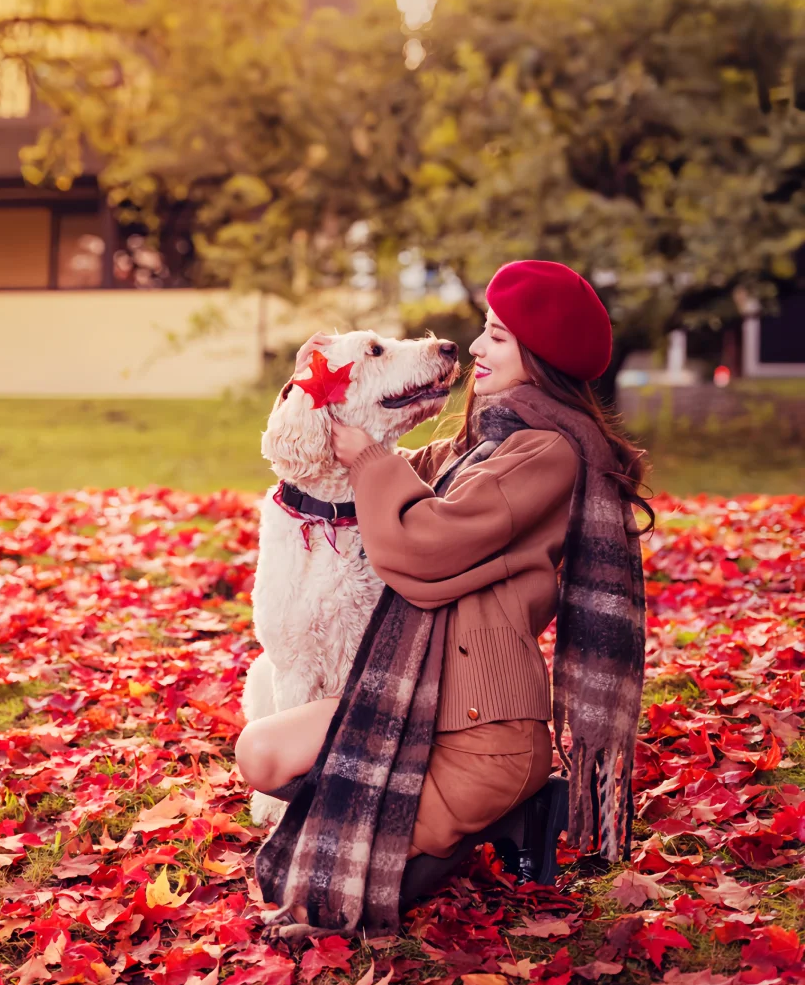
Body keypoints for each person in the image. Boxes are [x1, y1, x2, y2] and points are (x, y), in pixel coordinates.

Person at [236, 259, 653, 933]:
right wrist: (320, 398)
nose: (477, 346)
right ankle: (412, 814)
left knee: (328, 893)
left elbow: (420, 543)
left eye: (498, 336)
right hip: (413, 705)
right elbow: (385, 473)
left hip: (481, 733)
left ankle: (513, 810)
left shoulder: (545, 454)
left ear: (540, 359)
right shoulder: (482, 445)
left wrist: (366, 458)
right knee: (259, 754)